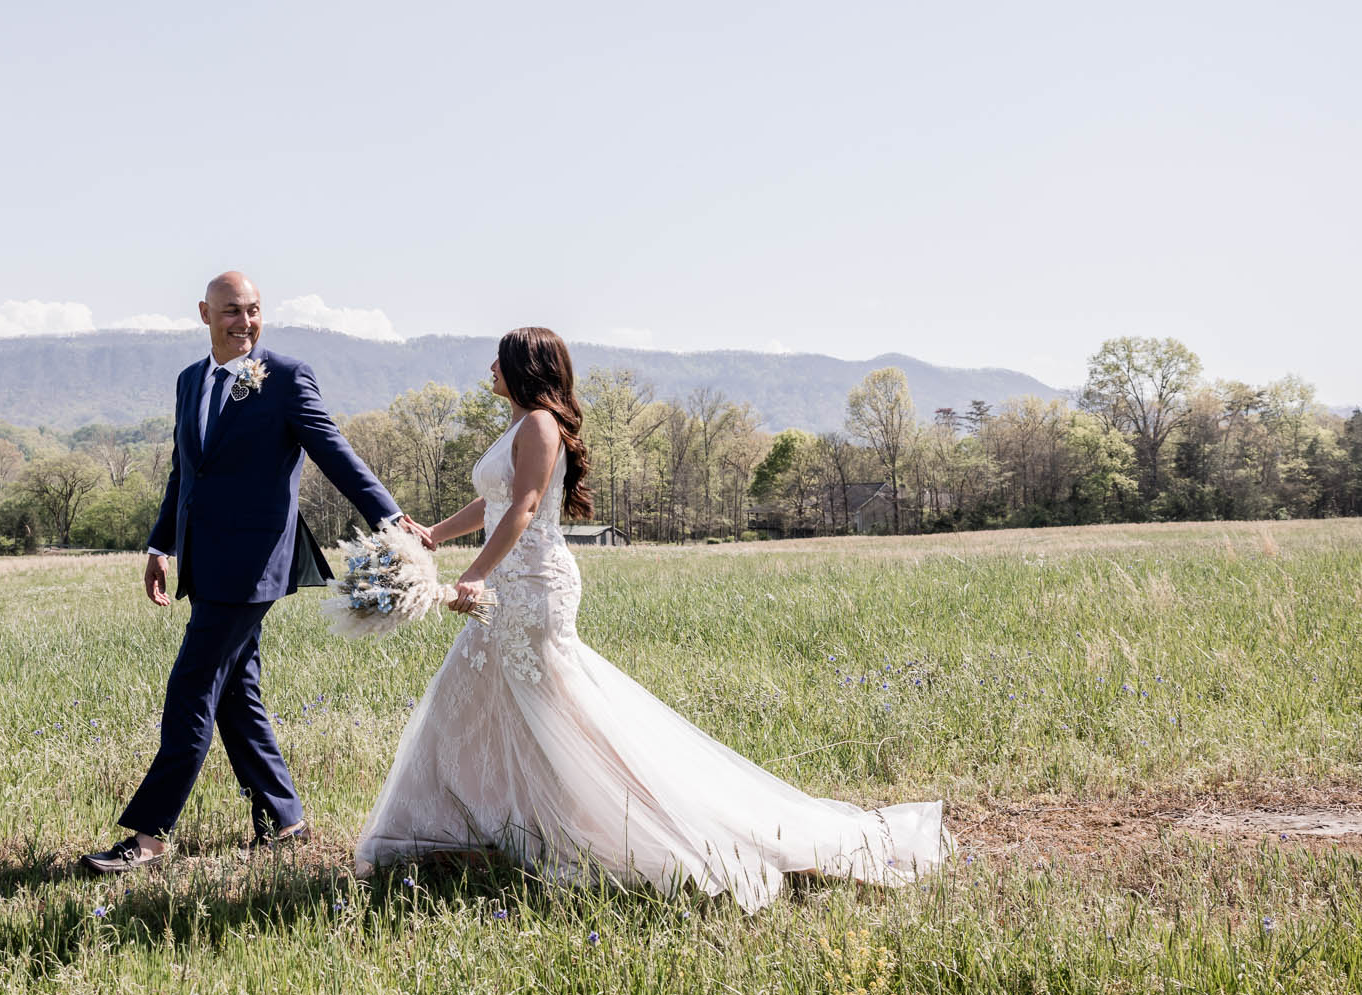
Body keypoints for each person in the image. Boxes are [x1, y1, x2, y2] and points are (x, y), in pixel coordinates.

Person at [354, 326, 945, 910]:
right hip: (508, 586)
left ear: (523, 368)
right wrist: (436, 533)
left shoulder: (538, 424)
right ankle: (468, 830)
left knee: (557, 710)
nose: (490, 368)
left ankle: (613, 820)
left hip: (533, 586)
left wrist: (475, 574)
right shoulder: (517, 424)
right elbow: (497, 502)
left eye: (499, 359)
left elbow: (529, 507)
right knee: (471, 699)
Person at [81, 271, 421, 875]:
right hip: (202, 561)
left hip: (256, 563)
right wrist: (160, 544)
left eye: (255, 310)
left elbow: (332, 449)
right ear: (205, 314)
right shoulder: (191, 380)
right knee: (237, 695)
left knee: (192, 688)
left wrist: (389, 516)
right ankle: (284, 821)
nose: (245, 322)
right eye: (233, 311)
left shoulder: (286, 377)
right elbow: (186, 471)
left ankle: (150, 836)